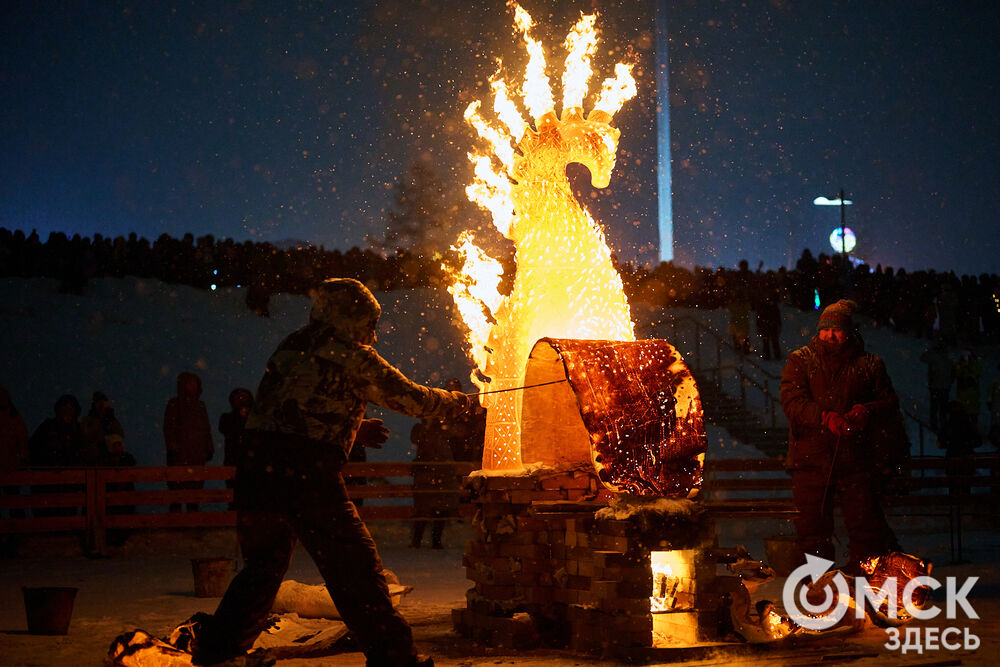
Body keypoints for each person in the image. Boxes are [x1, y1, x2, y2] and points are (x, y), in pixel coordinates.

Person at [189, 278, 471, 667]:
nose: (372, 333)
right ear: (350, 319)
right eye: (368, 323)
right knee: (353, 565)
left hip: (258, 470)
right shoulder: (350, 354)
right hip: (305, 474)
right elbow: (409, 396)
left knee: (263, 568)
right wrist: (455, 403)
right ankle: (394, 657)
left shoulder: (293, 345)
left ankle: (218, 650)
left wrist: (355, 428)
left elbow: (296, 410)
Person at [780, 299, 905, 567]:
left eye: (836, 330)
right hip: (811, 460)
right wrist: (825, 417)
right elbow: (793, 402)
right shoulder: (801, 360)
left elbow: (889, 403)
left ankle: (866, 582)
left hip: (856, 460)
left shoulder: (869, 364)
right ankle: (818, 588)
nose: (830, 335)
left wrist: (866, 411)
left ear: (849, 332)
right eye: (825, 329)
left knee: (866, 529)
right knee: (812, 532)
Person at [164, 372, 214, 512]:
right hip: (179, 455)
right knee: (177, 492)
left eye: (195, 384)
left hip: (197, 455)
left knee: (195, 493)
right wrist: (172, 448)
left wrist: (209, 448)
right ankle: (176, 524)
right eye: (189, 383)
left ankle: (194, 523)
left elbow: (206, 429)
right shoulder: (174, 404)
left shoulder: (200, 406)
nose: (193, 387)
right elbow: (169, 428)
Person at [28, 394, 84, 517]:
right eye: (65, 409)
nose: (68, 413)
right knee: (47, 511)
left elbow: (81, 452)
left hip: (70, 480)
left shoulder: (77, 430)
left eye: (71, 409)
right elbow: (33, 448)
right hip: (48, 480)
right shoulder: (48, 427)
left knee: (68, 510)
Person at [410, 414, 459, 549]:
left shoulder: (441, 430)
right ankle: (417, 540)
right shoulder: (421, 428)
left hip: (440, 474)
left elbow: (452, 435)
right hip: (426, 473)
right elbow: (416, 439)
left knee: (440, 508)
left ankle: (436, 540)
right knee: (423, 508)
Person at [0, 384, 30, 555]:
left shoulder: (13, 417)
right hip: (10, 466)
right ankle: (12, 536)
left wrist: (22, 458)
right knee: (12, 503)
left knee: (14, 503)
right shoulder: (13, 417)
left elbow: (22, 439)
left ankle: (17, 536)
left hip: (11, 468)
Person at [218, 388, 253, 510]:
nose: (242, 401)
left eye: (245, 398)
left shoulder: (255, 419)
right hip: (233, 462)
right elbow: (226, 429)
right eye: (239, 398)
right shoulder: (227, 418)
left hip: (251, 463)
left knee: (250, 495)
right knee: (234, 495)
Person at [80, 391, 124, 465]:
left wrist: (110, 418)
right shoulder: (88, 420)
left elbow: (119, 435)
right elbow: (87, 435)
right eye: (98, 403)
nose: (101, 406)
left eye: (103, 403)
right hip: (92, 460)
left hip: (109, 460)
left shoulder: (111, 420)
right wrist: (98, 419)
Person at [919, 341, 954, 432]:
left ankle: (935, 425)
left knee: (935, 407)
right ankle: (943, 425)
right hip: (944, 387)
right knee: (942, 407)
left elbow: (922, 358)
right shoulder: (948, 359)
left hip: (936, 386)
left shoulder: (935, 358)